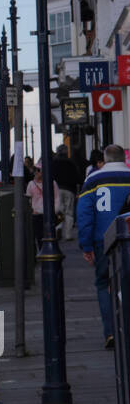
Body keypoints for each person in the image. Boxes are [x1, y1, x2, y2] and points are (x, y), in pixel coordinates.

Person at [77, 144, 130, 349]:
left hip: (103, 241)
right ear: (122, 158)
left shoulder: (93, 180)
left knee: (103, 284)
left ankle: (111, 331)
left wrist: (86, 245)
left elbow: (84, 215)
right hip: (127, 236)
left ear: (105, 159)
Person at [26, 160, 60, 249]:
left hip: (48, 213)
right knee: (38, 236)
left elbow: (57, 197)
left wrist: (55, 210)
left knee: (49, 235)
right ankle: (42, 253)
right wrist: (32, 210)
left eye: (38, 170)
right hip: (36, 214)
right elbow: (28, 199)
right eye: (35, 170)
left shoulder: (52, 183)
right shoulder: (31, 184)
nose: (36, 172)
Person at [52, 145, 79, 240]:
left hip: (56, 189)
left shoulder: (53, 162)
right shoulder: (71, 163)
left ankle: (58, 228)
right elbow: (76, 177)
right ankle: (68, 235)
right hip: (69, 189)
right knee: (69, 212)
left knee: (58, 211)